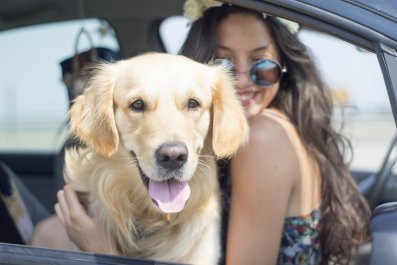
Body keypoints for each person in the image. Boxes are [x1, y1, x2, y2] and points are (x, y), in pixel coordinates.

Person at [44, 1, 371, 264]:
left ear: (283, 70)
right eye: (225, 64)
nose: (241, 81)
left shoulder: (262, 138)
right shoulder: (278, 130)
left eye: (262, 66)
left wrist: (102, 251)